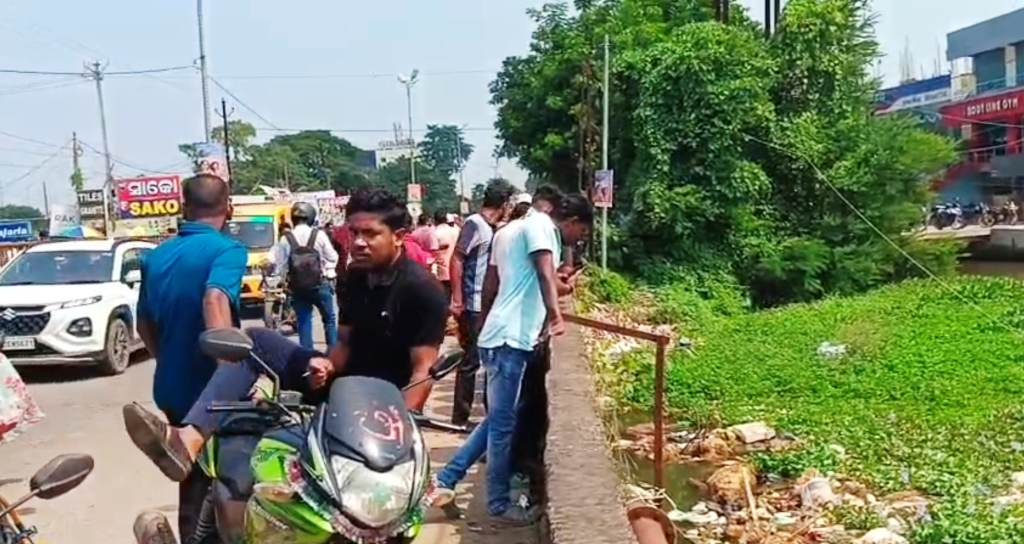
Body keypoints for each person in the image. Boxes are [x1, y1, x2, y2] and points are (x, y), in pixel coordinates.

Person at [119, 188, 450, 485]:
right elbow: (344, 343)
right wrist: (327, 366)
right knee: (256, 341)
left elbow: (422, 372)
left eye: (370, 233)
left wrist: (398, 433)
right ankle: (187, 440)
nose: (359, 242)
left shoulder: (422, 290)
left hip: (380, 405)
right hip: (340, 386)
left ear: (399, 236)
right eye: (354, 233)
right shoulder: (355, 276)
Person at [433, 192, 594, 525]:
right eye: (581, 232)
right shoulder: (542, 228)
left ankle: (446, 479)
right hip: (510, 339)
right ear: (572, 222)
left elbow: (498, 282)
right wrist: (555, 317)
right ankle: (497, 503)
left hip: (500, 335)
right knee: (503, 428)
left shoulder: (510, 230)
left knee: (499, 419)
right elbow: (544, 274)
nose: (579, 239)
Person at [121, 174, 247, 538]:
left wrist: (167, 359)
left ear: (183, 207)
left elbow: (144, 323)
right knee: (234, 476)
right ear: (228, 208)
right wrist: (228, 373)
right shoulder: (227, 250)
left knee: (192, 477)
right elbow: (215, 299)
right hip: (213, 388)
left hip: (171, 385)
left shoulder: (156, 255)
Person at [448, 182, 515, 428]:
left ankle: (488, 415)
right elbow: (457, 258)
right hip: (473, 303)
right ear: (504, 204)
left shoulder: (493, 228)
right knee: (472, 360)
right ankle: (460, 417)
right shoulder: (475, 224)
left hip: (487, 304)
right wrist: (458, 298)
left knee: (488, 360)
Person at [271, 202, 339, 350]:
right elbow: (332, 257)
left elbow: (279, 264)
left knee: (304, 320)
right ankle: (333, 353)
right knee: (329, 319)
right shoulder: (319, 234)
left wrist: (281, 280)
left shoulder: (286, 238)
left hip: (298, 286)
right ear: (311, 217)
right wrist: (328, 270)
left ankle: (307, 357)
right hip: (320, 284)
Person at [433, 211, 459, 299]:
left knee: (444, 294)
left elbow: (433, 250)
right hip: (456, 266)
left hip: (442, 267)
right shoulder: (456, 230)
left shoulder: (435, 233)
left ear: (435, 220)